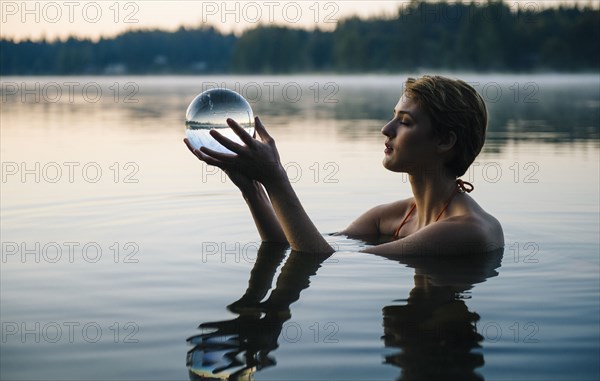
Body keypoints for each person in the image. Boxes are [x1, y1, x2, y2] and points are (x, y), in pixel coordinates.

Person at [184, 75, 504, 255]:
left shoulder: (468, 231)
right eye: (393, 116)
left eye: (404, 122)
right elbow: (296, 242)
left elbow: (324, 261)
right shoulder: (388, 217)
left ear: (445, 141)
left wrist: (276, 178)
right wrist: (253, 187)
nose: (386, 129)